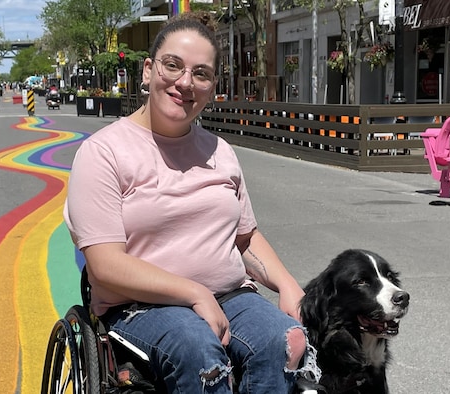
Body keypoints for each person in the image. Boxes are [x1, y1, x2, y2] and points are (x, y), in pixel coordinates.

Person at [64, 12, 319, 393]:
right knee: (199, 352)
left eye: (201, 73)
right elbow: (105, 266)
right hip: (141, 307)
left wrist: (287, 285)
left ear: (212, 86)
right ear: (149, 71)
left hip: (230, 295)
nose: (185, 82)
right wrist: (194, 293)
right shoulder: (103, 153)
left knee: (285, 339)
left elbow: (244, 238)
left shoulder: (221, 152)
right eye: (173, 65)